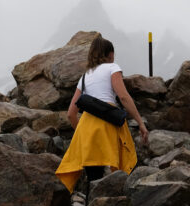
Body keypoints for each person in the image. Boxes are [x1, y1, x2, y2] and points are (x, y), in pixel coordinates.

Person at [55, 34, 149, 197]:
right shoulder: (112, 68)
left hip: (87, 128)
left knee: (93, 182)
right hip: (108, 126)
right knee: (122, 173)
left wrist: (83, 135)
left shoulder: (84, 77)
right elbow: (124, 97)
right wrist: (140, 122)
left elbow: (71, 114)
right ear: (110, 54)